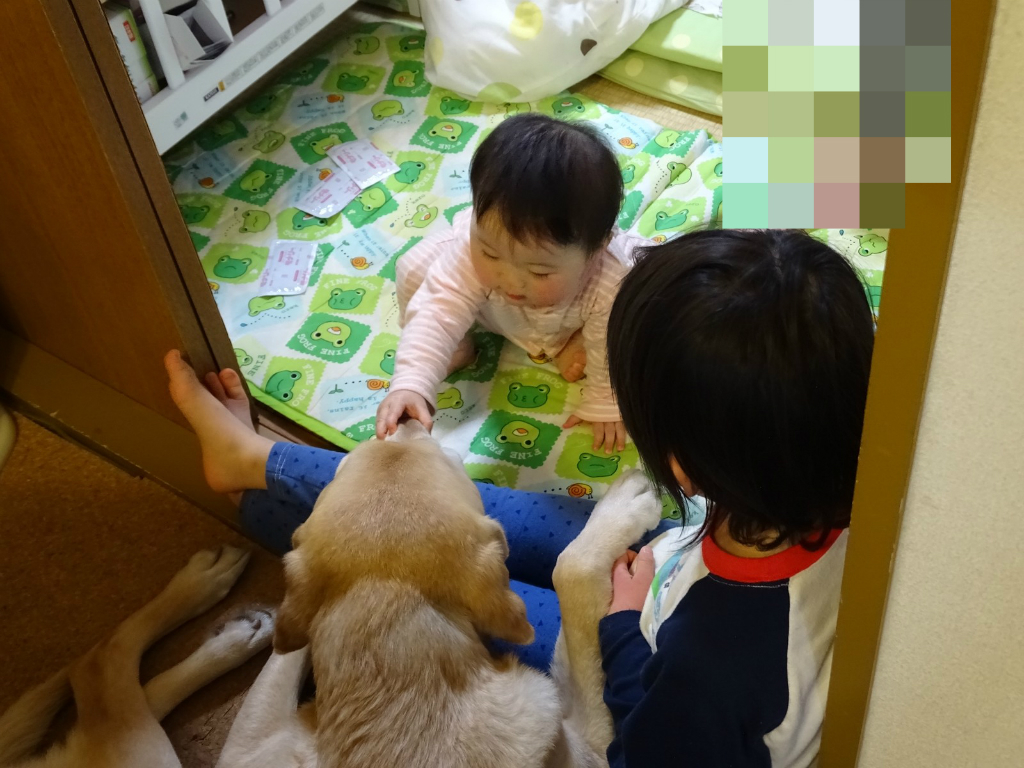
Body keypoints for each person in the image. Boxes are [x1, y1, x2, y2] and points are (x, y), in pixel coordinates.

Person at [164, 227, 874, 766]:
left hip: (638, 648)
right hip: (683, 562)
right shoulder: (838, 469)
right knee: (445, 519)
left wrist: (622, 629)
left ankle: (255, 486)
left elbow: (645, 747)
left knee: (422, 564)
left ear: (686, 463)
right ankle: (254, 466)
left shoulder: (707, 676)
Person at [376, 113, 644, 453]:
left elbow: (614, 343)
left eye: (539, 271)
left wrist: (604, 400)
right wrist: (413, 381)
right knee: (413, 268)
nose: (510, 280)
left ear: (597, 249)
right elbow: (437, 312)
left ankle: (566, 343)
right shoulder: (468, 254)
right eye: (490, 253)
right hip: (493, 313)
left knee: (623, 328)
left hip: (569, 316)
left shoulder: (610, 277)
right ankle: (458, 349)